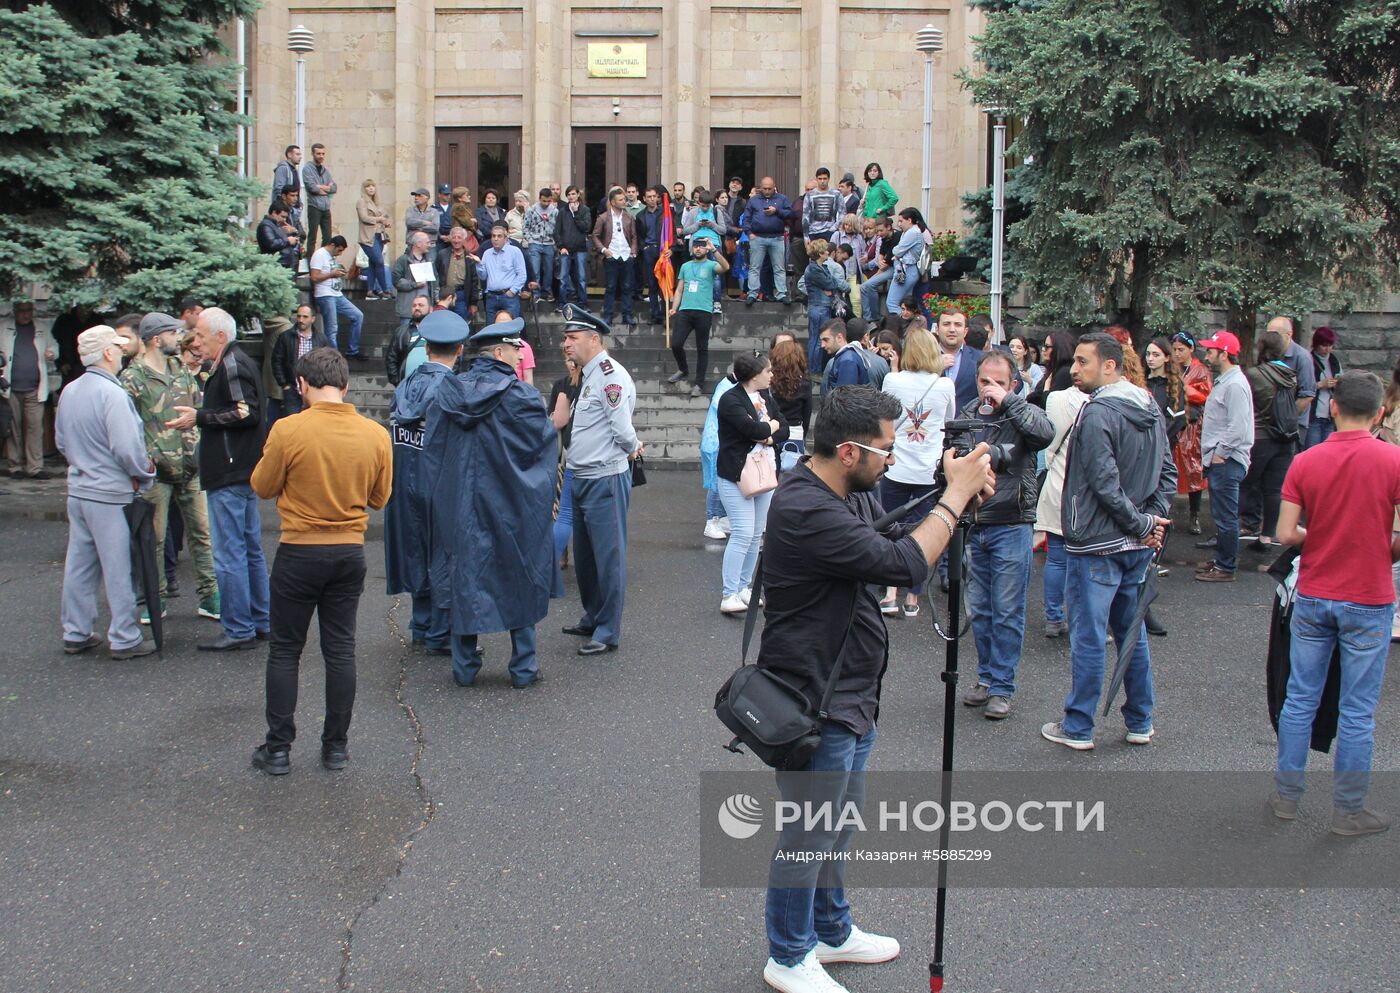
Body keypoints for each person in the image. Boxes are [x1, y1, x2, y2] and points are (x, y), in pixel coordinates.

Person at [757, 385, 992, 993]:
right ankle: (787, 955)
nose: (893, 460)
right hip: (815, 699)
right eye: (885, 451)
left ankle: (832, 933)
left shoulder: (847, 491)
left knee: (837, 821)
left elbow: (893, 548)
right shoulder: (807, 508)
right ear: (847, 450)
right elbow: (904, 567)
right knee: (809, 831)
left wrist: (952, 499)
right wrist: (956, 496)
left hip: (852, 691)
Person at [247, 347, 391, 776]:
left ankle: (277, 749)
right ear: (346, 386)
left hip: (299, 551)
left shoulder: (288, 429)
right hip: (349, 551)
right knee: (340, 650)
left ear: (301, 385)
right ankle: (336, 748)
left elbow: (262, 486)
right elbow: (379, 498)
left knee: (286, 649)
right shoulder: (375, 434)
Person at [1271, 372, 1400, 836]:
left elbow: (1285, 534)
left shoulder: (1306, 461)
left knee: (1300, 699)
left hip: (1314, 594)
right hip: (1369, 597)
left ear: (1333, 409)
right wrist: (1376, 546)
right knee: (1358, 710)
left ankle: (1286, 797)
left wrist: (1319, 535)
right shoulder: (1395, 461)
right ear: (1380, 412)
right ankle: (1348, 810)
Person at [1041, 333, 1174, 750]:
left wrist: (1140, 523)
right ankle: (1140, 720)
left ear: (1110, 366)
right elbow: (1166, 474)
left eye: (1083, 362)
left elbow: (1103, 483)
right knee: (1130, 633)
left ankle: (1079, 726)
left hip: (1097, 542)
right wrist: (1149, 521)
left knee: (1089, 636)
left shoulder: (1098, 413)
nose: (1074, 369)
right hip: (1132, 543)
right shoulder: (1149, 405)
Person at [423, 319, 557, 688]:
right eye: (516, 349)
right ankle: (523, 668)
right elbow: (543, 451)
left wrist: (441, 498)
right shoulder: (523, 397)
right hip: (512, 507)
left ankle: (464, 668)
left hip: (460, 508)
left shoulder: (447, 392)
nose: (520, 355)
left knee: (464, 578)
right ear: (499, 353)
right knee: (519, 574)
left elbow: (431, 453)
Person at [955, 351, 1054, 720]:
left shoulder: (1023, 412)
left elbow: (1045, 433)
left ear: (1012, 383)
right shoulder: (966, 414)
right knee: (979, 609)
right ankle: (985, 677)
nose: (989, 388)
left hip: (1012, 523)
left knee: (1007, 609)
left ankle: (1002, 687)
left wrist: (1009, 401)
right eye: (984, 380)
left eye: (998, 381)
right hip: (975, 523)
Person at [166, 307, 270, 652]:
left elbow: (245, 412)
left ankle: (240, 628)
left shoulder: (231, 364)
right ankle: (259, 620)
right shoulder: (236, 362)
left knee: (230, 554)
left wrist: (199, 417)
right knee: (248, 549)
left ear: (221, 336)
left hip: (229, 471)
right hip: (239, 469)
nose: (196, 342)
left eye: (201, 335)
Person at [55, 325, 157, 659]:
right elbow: (127, 448)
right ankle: (125, 637)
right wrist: (144, 474)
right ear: (108, 353)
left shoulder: (70, 391)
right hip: (110, 492)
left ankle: (76, 630)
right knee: (118, 567)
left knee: (80, 565)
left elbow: (61, 441)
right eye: (116, 347)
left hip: (79, 488)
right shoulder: (112, 394)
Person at [120, 312, 218, 624]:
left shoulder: (180, 369)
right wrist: (140, 463)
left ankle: (210, 596)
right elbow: (126, 426)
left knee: (202, 533)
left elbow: (196, 408)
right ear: (154, 339)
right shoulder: (132, 378)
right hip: (155, 472)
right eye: (172, 334)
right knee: (156, 539)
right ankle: (155, 599)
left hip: (190, 466)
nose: (179, 339)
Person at [384, 311, 470, 659]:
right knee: (444, 555)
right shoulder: (452, 388)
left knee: (414, 549)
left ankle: (420, 624)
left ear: (427, 346)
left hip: (404, 480)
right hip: (440, 483)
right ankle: (439, 631)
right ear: (460, 350)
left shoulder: (406, 385)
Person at [560, 306, 642, 656]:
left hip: (604, 478)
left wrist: (634, 447)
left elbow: (622, 429)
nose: (566, 344)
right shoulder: (590, 373)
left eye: (572, 338)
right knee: (587, 556)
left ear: (594, 339)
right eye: (565, 338)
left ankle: (608, 630)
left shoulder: (609, 375)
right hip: (582, 476)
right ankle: (593, 616)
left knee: (608, 558)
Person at [878, 328, 954, 616]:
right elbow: (949, 422)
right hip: (928, 469)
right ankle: (913, 596)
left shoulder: (892, 379)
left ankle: (890, 591)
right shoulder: (945, 385)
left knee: (890, 528)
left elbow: (882, 417)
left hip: (897, 466)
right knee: (923, 532)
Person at [715, 352, 789, 613]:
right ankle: (729, 593)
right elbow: (753, 431)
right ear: (754, 374)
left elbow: (785, 428)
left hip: (765, 472)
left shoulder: (766, 396)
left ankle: (744, 587)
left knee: (757, 534)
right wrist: (770, 428)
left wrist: (769, 434)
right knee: (743, 532)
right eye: (768, 371)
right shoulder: (730, 400)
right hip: (737, 475)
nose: (771, 375)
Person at [1032, 352, 1091, 638]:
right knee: (1086, 560)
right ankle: (1081, 617)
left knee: (1056, 556)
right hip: (1088, 489)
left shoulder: (1055, 399)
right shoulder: (1099, 401)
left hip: (1058, 481)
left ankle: (1053, 617)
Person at [1195, 330, 1254, 583]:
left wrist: (1220, 453)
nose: (1207, 354)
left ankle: (1225, 566)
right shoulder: (1227, 382)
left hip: (1226, 461)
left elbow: (1238, 427)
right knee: (1221, 515)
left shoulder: (1235, 385)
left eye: (1211, 350)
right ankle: (1222, 560)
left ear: (1225, 354)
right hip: (1221, 459)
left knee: (1226, 516)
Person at [1239, 331, 1299, 554]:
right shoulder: (1290, 375)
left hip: (1261, 436)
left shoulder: (1254, 374)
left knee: (1245, 483)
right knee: (1274, 490)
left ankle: (1238, 527)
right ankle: (1266, 536)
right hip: (1285, 438)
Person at [2, 299, 58, 479]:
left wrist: (52, 353)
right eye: (22, 311)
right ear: (15, 311)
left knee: (35, 428)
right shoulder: (3, 328)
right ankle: (15, 466)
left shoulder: (40, 327)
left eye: (29, 310)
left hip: (35, 388)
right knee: (14, 428)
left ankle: (35, 467)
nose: (26, 314)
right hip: (10, 388)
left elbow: (54, 346)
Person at [667, 235, 729, 397]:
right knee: (676, 344)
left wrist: (714, 249)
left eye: (701, 246)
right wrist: (674, 308)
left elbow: (725, 267)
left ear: (706, 248)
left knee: (702, 349)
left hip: (704, 312)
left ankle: (699, 384)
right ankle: (683, 368)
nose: (698, 249)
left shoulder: (711, 265)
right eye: (696, 246)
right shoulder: (686, 266)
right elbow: (679, 289)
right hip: (685, 311)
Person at [1170, 331, 1212, 533]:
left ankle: (1194, 516)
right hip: (1173, 424)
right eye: (1175, 349)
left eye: (1181, 349)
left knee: (1194, 470)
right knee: (1168, 470)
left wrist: (1183, 388)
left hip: (1193, 427)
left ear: (1191, 349)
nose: (1177, 353)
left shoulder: (1200, 370)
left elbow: (1205, 393)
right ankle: (1164, 513)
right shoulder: (1170, 368)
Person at [550, 346, 582, 568]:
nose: (570, 364)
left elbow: (555, 420)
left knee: (564, 510)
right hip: (563, 452)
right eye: (567, 360)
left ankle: (556, 556)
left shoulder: (581, 383)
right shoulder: (561, 385)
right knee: (563, 508)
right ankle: (561, 554)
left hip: (571, 453)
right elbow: (552, 419)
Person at [309, 235, 364, 359]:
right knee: (332, 327)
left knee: (358, 315)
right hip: (325, 294)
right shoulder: (319, 255)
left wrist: (338, 273)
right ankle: (334, 357)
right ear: (332, 245)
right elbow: (314, 277)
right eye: (339, 250)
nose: (340, 253)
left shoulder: (331, 256)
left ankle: (353, 350)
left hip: (337, 294)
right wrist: (332, 274)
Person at [1266, 316, 1318, 445]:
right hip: (1269, 425)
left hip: (1293, 426)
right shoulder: (1269, 354)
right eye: (1268, 335)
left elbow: (1307, 396)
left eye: (1276, 335)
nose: (1271, 339)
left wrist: (1285, 418)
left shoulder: (1302, 357)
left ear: (1289, 334)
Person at [592, 187, 640, 327]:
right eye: (620, 199)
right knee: (611, 287)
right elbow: (595, 236)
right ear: (613, 202)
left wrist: (633, 252)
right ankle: (608, 316)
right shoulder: (603, 217)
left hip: (626, 255)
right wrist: (603, 250)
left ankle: (628, 315)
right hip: (611, 255)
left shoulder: (629, 217)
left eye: (624, 199)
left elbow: (634, 236)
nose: (624, 201)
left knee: (627, 287)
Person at [741, 176, 793, 306]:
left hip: (777, 237)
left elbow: (791, 214)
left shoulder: (782, 199)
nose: (767, 191)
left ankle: (781, 293)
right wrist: (749, 233)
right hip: (758, 237)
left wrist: (777, 211)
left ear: (774, 186)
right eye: (765, 188)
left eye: (770, 188)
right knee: (754, 267)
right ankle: (752, 293)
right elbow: (746, 218)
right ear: (760, 187)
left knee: (779, 267)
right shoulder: (753, 200)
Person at [273, 304, 330, 413]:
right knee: (292, 423)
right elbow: (277, 361)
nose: (300, 320)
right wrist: (284, 384)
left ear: (313, 319)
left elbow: (326, 364)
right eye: (298, 316)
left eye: (305, 317)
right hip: (293, 389)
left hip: (314, 390)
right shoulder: (286, 337)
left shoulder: (321, 339)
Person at [769, 339, 811, 472]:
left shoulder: (769, 381)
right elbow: (807, 413)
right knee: (793, 476)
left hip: (772, 430)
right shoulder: (804, 383)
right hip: (795, 432)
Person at [802, 240, 843, 374]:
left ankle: (815, 369)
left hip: (822, 306)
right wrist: (830, 287)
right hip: (818, 307)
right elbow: (830, 283)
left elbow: (832, 283)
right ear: (820, 253)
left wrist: (831, 286)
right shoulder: (813, 269)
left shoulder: (822, 267)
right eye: (825, 250)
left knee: (817, 339)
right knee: (817, 340)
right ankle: (814, 370)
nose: (828, 252)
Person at [932, 308, 982, 412]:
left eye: (958, 325)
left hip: (966, 423)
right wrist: (934, 367)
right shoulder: (924, 357)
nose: (952, 329)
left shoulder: (980, 359)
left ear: (965, 331)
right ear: (937, 329)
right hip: (932, 422)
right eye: (946, 324)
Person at [477, 223, 527, 320]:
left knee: (511, 329)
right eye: (493, 236)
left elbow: (522, 274)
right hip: (491, 296)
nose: (496, 239)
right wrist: (478, 264)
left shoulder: (514, 251)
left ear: (505, 238)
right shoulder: (487, 253)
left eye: (499, 236)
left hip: (508, 297)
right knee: (491, 330)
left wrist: (512, 291)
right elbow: (483, 276)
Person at [554, 185, 593, 308]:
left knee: (581, 277)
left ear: (578, 195)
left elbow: (586, 228)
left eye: (573, 194)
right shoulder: (562, 211)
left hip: (580, 248)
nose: (571, 197)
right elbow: (556, 231)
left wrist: (576, 214)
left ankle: (583, 303)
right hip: (566, 248)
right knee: (563, 278)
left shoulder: (584, 210)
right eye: (569, 195)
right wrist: (561, 247)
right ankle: (562, 303)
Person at [392, 231, 438, 332]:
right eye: (427, 242)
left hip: (426, 310)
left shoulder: (429, 260)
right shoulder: (403, 260)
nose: (429, 245)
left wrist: (435, 301)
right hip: (408, 310)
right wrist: (414, 284)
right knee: (407, 335)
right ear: (418, 244)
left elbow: (435, 282)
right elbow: (396, 281)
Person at [434, 226, 482, 323]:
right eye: (454, 237)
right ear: (450, 238)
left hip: (461, 295)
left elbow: (474, 281)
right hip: (445, 294)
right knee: (444, 322)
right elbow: (437, 274)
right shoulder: (442, 254)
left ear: (464, 239)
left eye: (459, 237)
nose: (456, 240)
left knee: (461, 324)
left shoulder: (469, 257)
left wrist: (474, 303)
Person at [384, 295, 433, 387]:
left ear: (430, 309)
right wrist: (397, 381)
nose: (416, 308)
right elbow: (391, 358)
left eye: (421, 305)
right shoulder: (401, 331)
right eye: (414, 305)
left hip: (433, 387)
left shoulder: (437, 330)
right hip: (407, 387)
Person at [356, 179, 393, 299]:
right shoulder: (361, 202)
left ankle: (370, 290)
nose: (371, 188)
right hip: (368, 237)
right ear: (364, 189)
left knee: (373, 263)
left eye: (373, 186)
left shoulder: (377, 203)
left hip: (379, 235)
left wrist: (386, 222)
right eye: (368, 186)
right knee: (379, 261)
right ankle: (385, 289)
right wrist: (379, 219)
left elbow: (383, 217)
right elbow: (364, 217)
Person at [885, 208, 927, 315]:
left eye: (901, 221)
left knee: (892, 303)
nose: (899, 224)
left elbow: (897, 250)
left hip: (906, 271)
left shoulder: (913, 232)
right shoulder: (909, 232)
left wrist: (896, 253)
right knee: (905, 304)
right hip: (906, 270)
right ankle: (908, 327)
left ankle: (909, 323)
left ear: (909, 220)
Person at [1306, 326, 1341, 448]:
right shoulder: (1309, 360)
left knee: (1328, 451)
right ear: (1316, 345)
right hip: (1313, 416)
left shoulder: (1334, 360)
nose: (1327, 349)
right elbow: (1301, 386)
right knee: (1312, 451)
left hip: (1330, 416)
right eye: (1324, 345)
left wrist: (1338, 383)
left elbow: (1341, 379)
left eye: (1330, 345)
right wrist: (1321, 384)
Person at [523, 188, 558, 303]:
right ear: (539, 199)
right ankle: (535, 293)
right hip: (535, 242)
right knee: (535, 270)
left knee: (549, 270)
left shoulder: (555, 211)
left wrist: (554, 240)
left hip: (549, 243)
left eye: (548, 201)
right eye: (544, 201)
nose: (546, 203)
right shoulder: (532, 210)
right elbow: (525, 226)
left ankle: (546, 292)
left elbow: (557, 227)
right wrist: (530, 239)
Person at [302, 143, 337, 258]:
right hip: (314, 206)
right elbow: (312, 187)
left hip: (326, 207)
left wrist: (321, 187)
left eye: (323, 154)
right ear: (313, 154)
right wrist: (326, 188)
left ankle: (323, 259)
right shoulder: (307, 169)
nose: (321, 156)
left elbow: (334, 188)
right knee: (312, 237)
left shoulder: (325, 170)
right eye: (318, 153)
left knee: (327, 237)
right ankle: (311, 262)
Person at [817, 319, 869, 395]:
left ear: (839, 338)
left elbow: (845, 399)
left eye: (826, 340)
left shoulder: (847, 360)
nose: (822, 345)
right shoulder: (848, 357)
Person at [802, 167, 842, 245]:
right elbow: (805, 216)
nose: (822, 181)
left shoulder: (836, 194)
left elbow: (842, 213)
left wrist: (834, 228)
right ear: (816, 179)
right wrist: (806, 236)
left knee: (830, 255)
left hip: (830, 232)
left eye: (825, 178)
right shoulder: (809, 195)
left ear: (828, 179)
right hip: (813, 233)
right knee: (814, 256)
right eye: (820, 179)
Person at [257, 202, 300, 271]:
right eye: (282, 216)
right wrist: (288, 240)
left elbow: (286, 243)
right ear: (274, 213)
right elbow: (271, 244)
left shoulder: (277, 225)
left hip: (285, 263)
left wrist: (293, 234)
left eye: (286, 217)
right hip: (276, 264)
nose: (284, 220)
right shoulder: (266, 225)